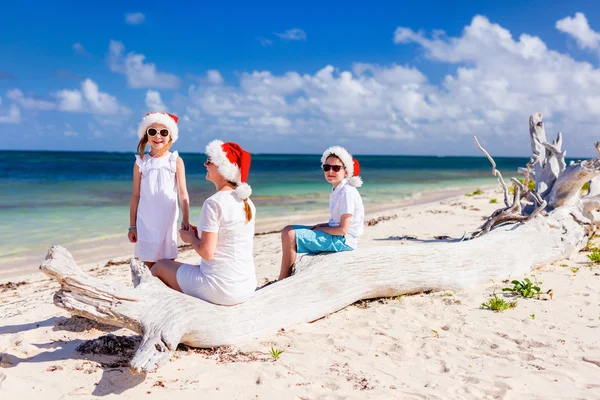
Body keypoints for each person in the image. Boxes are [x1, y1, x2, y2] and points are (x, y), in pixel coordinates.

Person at [152, 140, 257, 306]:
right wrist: (197, 233)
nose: (205, 164)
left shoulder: (213, 203)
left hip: (222, 289)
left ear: (223, 168)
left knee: (159, 266)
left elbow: (207, 253)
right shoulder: (247, 202)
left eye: (209, 161)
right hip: (246, 285)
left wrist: (190, 239)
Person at [278, 146, 364, 280]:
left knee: (290, 235)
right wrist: (322, 225)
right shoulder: (338, 189)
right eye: (326, 167)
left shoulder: (347, 192)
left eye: (336, 168)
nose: (330, 171)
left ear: (346, 172)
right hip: (338, 236)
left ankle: (283, 280)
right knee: (288, 229)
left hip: (345, 241)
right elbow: (338, 222)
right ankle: (284, 277)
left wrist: (321, 228)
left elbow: (343, 230)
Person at [128, 112, 190, 268]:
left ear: (170, 136)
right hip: (145, 222)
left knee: (167, 266)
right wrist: (132, 225)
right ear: (146, 135)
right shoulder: (141, 162)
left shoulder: (175, 160)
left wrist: (186, 219)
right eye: (152, 131)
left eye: (163, 132)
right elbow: (135, 195)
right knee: (148, 266)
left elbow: (183, 194)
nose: (158, 136)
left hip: (167, 221)